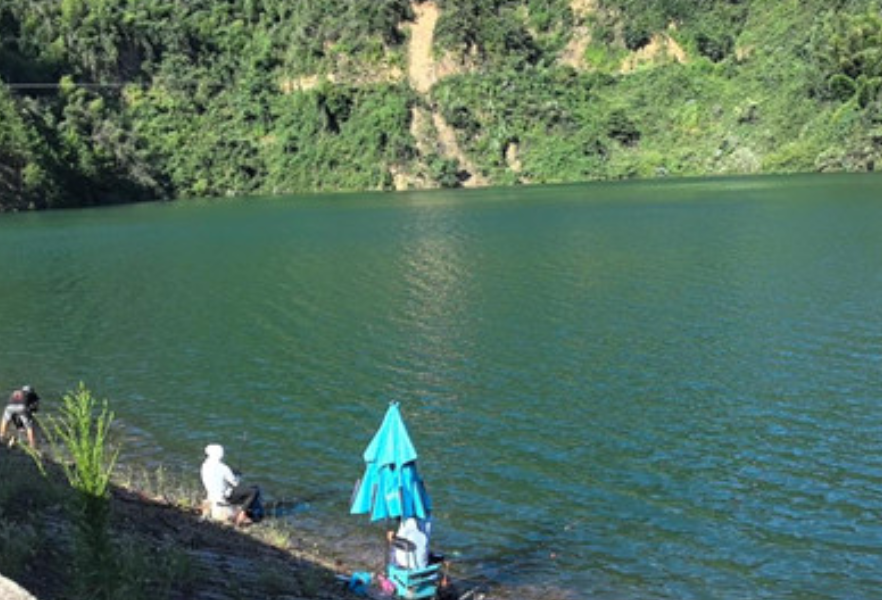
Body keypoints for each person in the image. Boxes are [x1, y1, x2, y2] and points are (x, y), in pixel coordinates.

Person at [200, 443, 261, 527]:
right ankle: (241, 516)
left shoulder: (204, 466)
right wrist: (237, 476)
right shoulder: (223, 468)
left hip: (211, 494)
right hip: (224, 497)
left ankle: (242, 510)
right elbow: (236, 484)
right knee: (254, 491)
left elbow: (217, 477)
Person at [0, 385, 40, 449]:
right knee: (29, 427)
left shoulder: (16, 392)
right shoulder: (31, 394)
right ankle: (32, 445)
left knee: (5, 420)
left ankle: (1, 436)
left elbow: (10, 400)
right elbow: (36, 405)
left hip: (9, 407)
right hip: (22, 407)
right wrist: (32, 412)